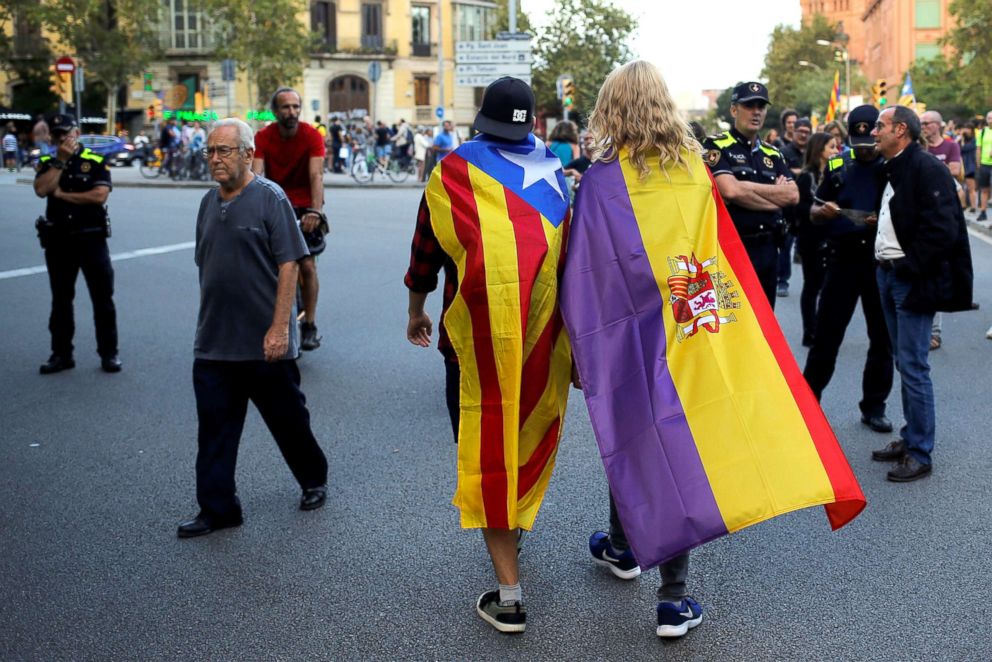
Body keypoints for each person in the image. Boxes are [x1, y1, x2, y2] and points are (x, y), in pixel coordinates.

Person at [560, 61, 866, 641]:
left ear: (610, 108)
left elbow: (584, 271)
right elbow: (712, 255)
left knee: (633, 432)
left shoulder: (601, 180)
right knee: (682, 440)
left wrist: (580, 347)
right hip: (689, 327)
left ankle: (632, 552)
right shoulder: (694, 172)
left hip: (625, 332)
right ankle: (663, 587)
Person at [404, 77, 571, 634]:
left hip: (473, 347)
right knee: (522, 439)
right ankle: (512, 521)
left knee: (484, 441)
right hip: (544, 344)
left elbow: (426, 247)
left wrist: (416, 309)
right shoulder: (558, 178)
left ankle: (509, 594)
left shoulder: (455, 170)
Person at [177, 118, 329, 538]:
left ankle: (313, 478)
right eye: (210, 151)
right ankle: (218, 507)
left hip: (266, 342)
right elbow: (207, 266)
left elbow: (289, 264)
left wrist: (280, 328)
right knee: (214, 431)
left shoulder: (270, 198)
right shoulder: (208, 203)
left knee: (287, 419)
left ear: (247, 154)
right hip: (214, 342)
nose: (214, 159)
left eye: (224, 151)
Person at [869, 106, 973, 482]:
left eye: (880, 126)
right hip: (888, 275)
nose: (874, 132)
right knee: (904, 361)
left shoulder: (926, 168)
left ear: (901, 130)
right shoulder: (894, 166)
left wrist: (908, 268)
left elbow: (943, 230)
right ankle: (910, 436)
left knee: (914, 366)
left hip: (909, 280)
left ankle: (919, 453)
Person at [803, 105, 894, 434]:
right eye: (856, 142)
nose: (863, 149)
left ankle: (874, 407)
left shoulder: (891, 168)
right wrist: (822, 212)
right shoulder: (839, 164)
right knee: (826, 338)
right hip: (841, 261)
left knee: (882, 339)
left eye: (867, 141)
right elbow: (814, 210)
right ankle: (808, 404)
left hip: (878, 262)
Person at [32, 114, 121, 374]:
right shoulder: (48, 161)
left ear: (77, 133)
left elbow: (99, 195)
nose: (61, 138)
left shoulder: (94, 160)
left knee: (102, 299)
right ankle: (61, 354)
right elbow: (41, 189)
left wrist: (61, 194)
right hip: (58, 241)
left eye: (65, 133)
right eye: (56, 134)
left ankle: (109, 354)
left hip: (91, 238)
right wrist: (60, 162)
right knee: (61, 300)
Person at [702, 82, 798, 307]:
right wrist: (775, 198)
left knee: (765, 321)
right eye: (749, 106)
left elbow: (793, 196)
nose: (756, 112)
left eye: (761, 106)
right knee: (735, 324)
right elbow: (730, 190)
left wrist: (745, 189)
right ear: (734, 110)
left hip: (768, 249)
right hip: (734, 248)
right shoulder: (716, 145)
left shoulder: (773, 153)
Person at [252, 87, 327, 352]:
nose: (291, 112)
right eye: (285, 107)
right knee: (264, 264)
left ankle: (310, 325)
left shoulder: (311, 136)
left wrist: (315, 212)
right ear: (275, 111)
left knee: (306, 265)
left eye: (295, 107)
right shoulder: (263, 137)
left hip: (306, 208)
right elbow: (257, 175)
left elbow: (316, 176)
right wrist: (254, 208)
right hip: (275, 205)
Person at [922, 110, 964, 352]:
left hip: (944, 214)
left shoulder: (949, 146)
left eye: (927, 124)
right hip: (922, 216)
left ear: (937, 126)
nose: (924, 127)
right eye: (922, 124)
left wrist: (934, 169)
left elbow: (956, 170)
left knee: (938, 272)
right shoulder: (919, 148)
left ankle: (935, 332)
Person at [793, 131, 837, 346]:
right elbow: (798, 208)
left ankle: (823, 327)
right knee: (812, 286)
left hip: (830, 239)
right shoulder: (806, 176)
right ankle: (809, 331)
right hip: (811, 239)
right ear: (820, 150)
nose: (836, 151)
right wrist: (817, 210)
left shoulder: (834, 173)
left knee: (827, 287)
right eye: (832, 147)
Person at [777, 116, 810, 297]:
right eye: (800, 131)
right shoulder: (783, 152)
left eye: (807, 132)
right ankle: (782, 281)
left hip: (806, 209)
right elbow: (783, 176)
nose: (803, 135)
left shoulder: (811, 152)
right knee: (785, 246)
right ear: (793, 131)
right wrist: (798, 173)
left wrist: (799, 173)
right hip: (789, 210)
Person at [975, 110, 992, 221]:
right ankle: (983, 211)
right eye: (989, 118)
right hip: (985, 164)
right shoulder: (982, 132)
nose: (991, 120)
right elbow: (978, 149)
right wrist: (978, 164)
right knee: (984, 189)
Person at [959, 122, 977, 212]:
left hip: (970, 166)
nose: (965, 130)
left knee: (971, 187)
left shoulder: (974, 140)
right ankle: (964, 204)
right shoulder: (961, 139)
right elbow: (955, 148)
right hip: (962, 166)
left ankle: (973, 206)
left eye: (967, 128)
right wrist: (961, 138)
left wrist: (961, 140)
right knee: (961, 187)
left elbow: (965, 148)